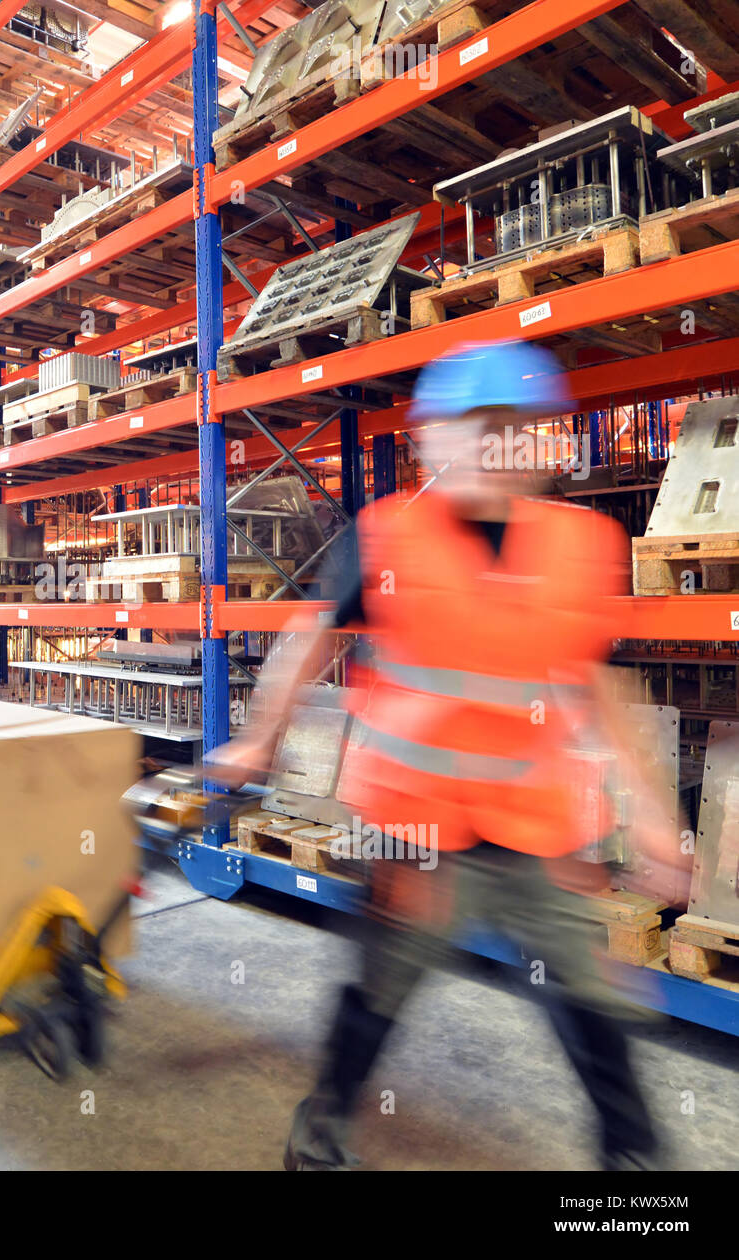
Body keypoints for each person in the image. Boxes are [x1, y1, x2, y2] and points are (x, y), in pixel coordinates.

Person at [210, 340, 690, 1172]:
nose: (492, 448)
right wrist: (261, 735)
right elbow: (309, 635)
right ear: (434, 440)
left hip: (533, 826)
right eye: (471, 429)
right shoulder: (387, 535)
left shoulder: (581, 546)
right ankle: (322, 1128)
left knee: (581, 984)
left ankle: (635, 1169)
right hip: (410, 823)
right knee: (384, 982)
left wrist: (654, 816)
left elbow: (603, 684)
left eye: (513, 430)